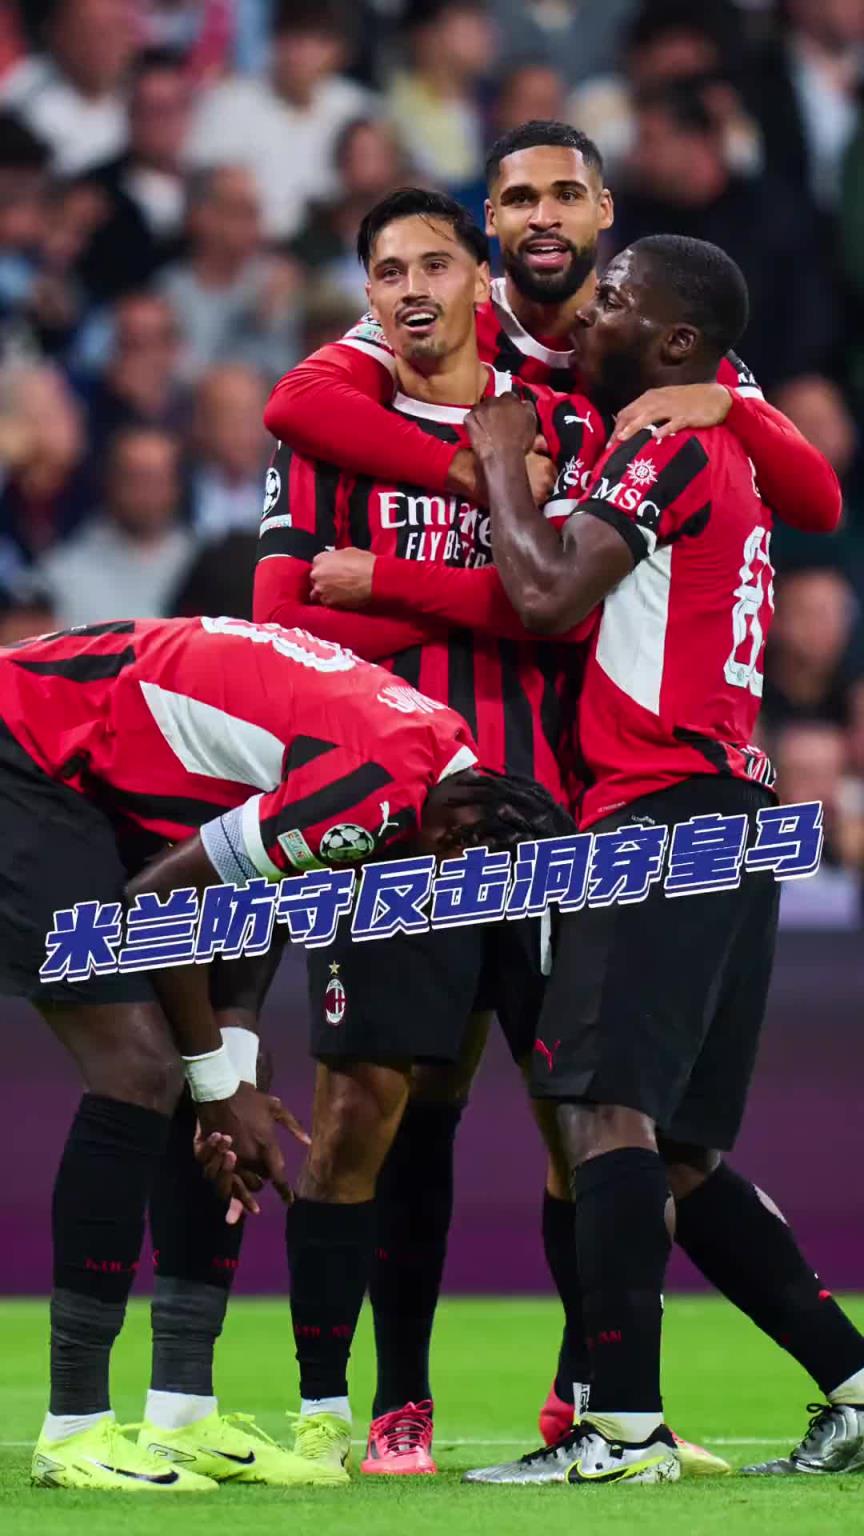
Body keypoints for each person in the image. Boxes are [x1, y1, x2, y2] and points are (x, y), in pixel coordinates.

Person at [261, 121, 842, 1467]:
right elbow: (292, 428)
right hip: (408, 809)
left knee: (587, 1122)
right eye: (515, 194)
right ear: (484, 238)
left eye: (565, 192)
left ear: (601, 212)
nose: (542, 215)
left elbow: (789, 501)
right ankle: (388, 1406)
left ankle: (595, 1407)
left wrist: (732, 403)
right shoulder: (423, 351)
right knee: (392, 1102)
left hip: (580, 801)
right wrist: (467, 467)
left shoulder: (638, 367)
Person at [455, 235, 864, 1485]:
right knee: (678, 1153)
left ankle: (621, 1429)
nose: (595, 306)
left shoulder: (670, 443)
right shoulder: (716, 437)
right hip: (729, 813)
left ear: (679, 342)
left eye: (621, 298)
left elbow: (544, 597)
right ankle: (856, 1387)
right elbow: (816, 497)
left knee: (603, 1113)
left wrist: (499, 464)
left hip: (659, 813)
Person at [0, 611, 555, 1492]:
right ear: (456, 839)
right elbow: (157, 901)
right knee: (140, 1069)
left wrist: (233, 1050)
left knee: (208, 1070)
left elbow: (259, 884)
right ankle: (73, 1430)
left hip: (94, 752)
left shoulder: (435, 752)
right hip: (27, 747)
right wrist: (215, 1080)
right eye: (457, 881)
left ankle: (180, 1417)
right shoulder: (378, 794)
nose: (441, 897)